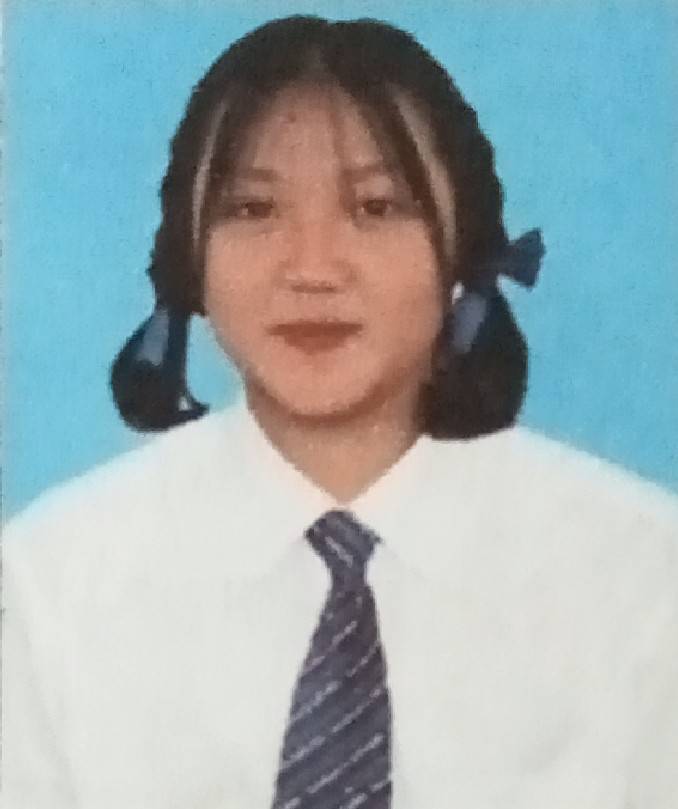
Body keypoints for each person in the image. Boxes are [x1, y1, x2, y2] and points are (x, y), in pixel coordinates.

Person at [3, 14, 677, 809]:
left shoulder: (640, 575)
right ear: (189, 254)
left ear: (467, 246)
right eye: (253, 209)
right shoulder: (52, 584)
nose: (313, 268)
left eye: (377, 207)